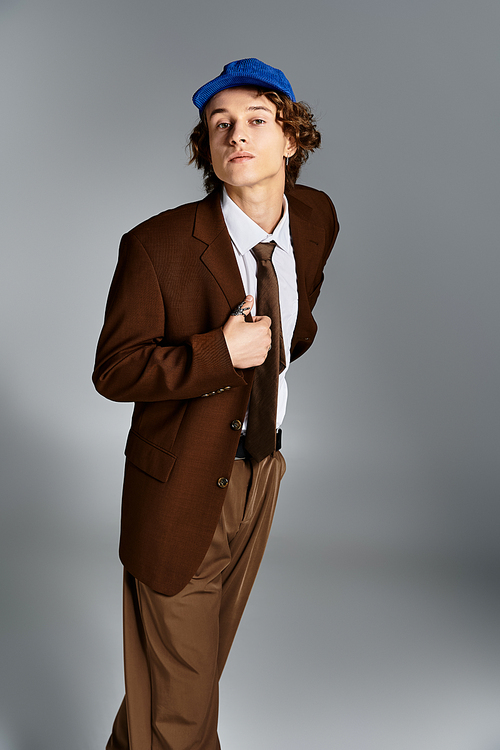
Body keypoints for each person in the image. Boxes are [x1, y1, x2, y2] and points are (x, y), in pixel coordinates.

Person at [93, 57, 339, 750]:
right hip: (179, 484)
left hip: (263, 470)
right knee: (183, 697)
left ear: (291, 138)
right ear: (206, 147)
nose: (237, 134)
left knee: (184, 676)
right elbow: (114, 370)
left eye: (257, 121)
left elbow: (298, 314)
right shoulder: (156, 246)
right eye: (219, 124)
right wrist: (217, 354)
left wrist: (275, 352)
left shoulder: (316, 217)